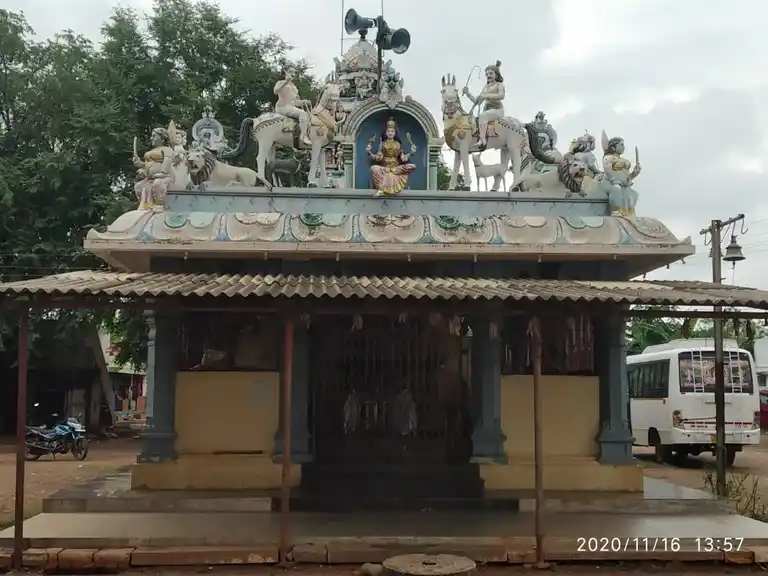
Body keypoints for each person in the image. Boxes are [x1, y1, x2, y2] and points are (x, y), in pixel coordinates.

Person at [366, 117, 416, 196]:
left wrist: (411, 153)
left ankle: (383, 188)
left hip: (396, 169)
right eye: (388, 131)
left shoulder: (398, 144)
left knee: (412, 166)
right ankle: (381, 189)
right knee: (373, 168)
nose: (390, 133)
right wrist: (369, 152)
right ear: (386, 133)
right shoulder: (382, 144)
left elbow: (403, 158)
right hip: (384, 169)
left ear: (395, 133)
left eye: (392, 131)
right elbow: (378, 157)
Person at [462, 60, 505, 149]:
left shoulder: (499, 85)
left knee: (483, 116)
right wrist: (468, 93)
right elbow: (477, 101)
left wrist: (487, 96)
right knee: (475, 120)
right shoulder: (485, 87)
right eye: (487, 74)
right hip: (488, 110)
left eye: (491, 73)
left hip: (497, 110)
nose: (488, 75)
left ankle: (482, 140)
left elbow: (501, 96)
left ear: (496, 75)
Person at [273, 66, 312, 146]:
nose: (293, 74)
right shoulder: (280, 82)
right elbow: (275, 92)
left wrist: (303, 102)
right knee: (302, 113)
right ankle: (303, 136)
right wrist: (286, 82)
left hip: (291, 107)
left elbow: (296, 102)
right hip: (282, 107)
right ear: (286, 73)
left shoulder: (294, 87)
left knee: (308, 116)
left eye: (294, 72)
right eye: (290, 72)